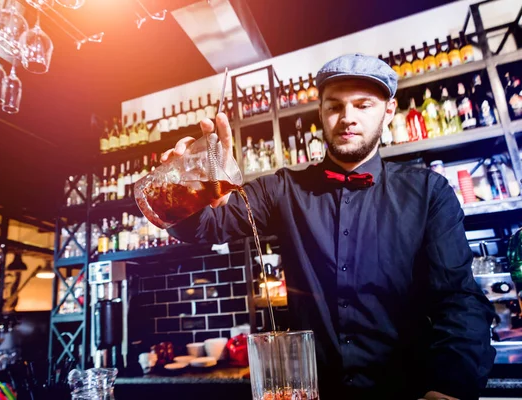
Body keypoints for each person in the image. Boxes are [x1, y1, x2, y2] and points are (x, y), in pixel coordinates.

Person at [161, 54, 496, 400]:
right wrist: (181, 184)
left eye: (363, 105)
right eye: (335, 106)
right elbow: (208, 227)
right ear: (320, 112)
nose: (347, 118)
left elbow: (459, 301)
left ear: (389, 111)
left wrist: (449, 387)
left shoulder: (429, 192)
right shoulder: (282, 189)